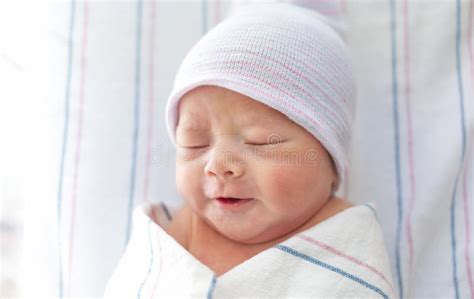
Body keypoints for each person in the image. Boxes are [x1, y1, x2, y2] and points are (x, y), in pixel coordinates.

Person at [104, 2, 396, 298]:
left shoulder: (348, 243)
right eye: (196, 143)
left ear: (332, 162)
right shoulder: (176, 234)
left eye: (261, 142)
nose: (217, 164)